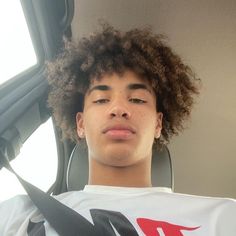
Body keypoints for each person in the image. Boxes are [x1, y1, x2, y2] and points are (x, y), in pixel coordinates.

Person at [0, 24, 236, 235]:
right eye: (101, 99)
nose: (119, 109)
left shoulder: (225, 217)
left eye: (137, 99)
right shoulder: (19, 214)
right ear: (80, 124)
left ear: (158, 123)